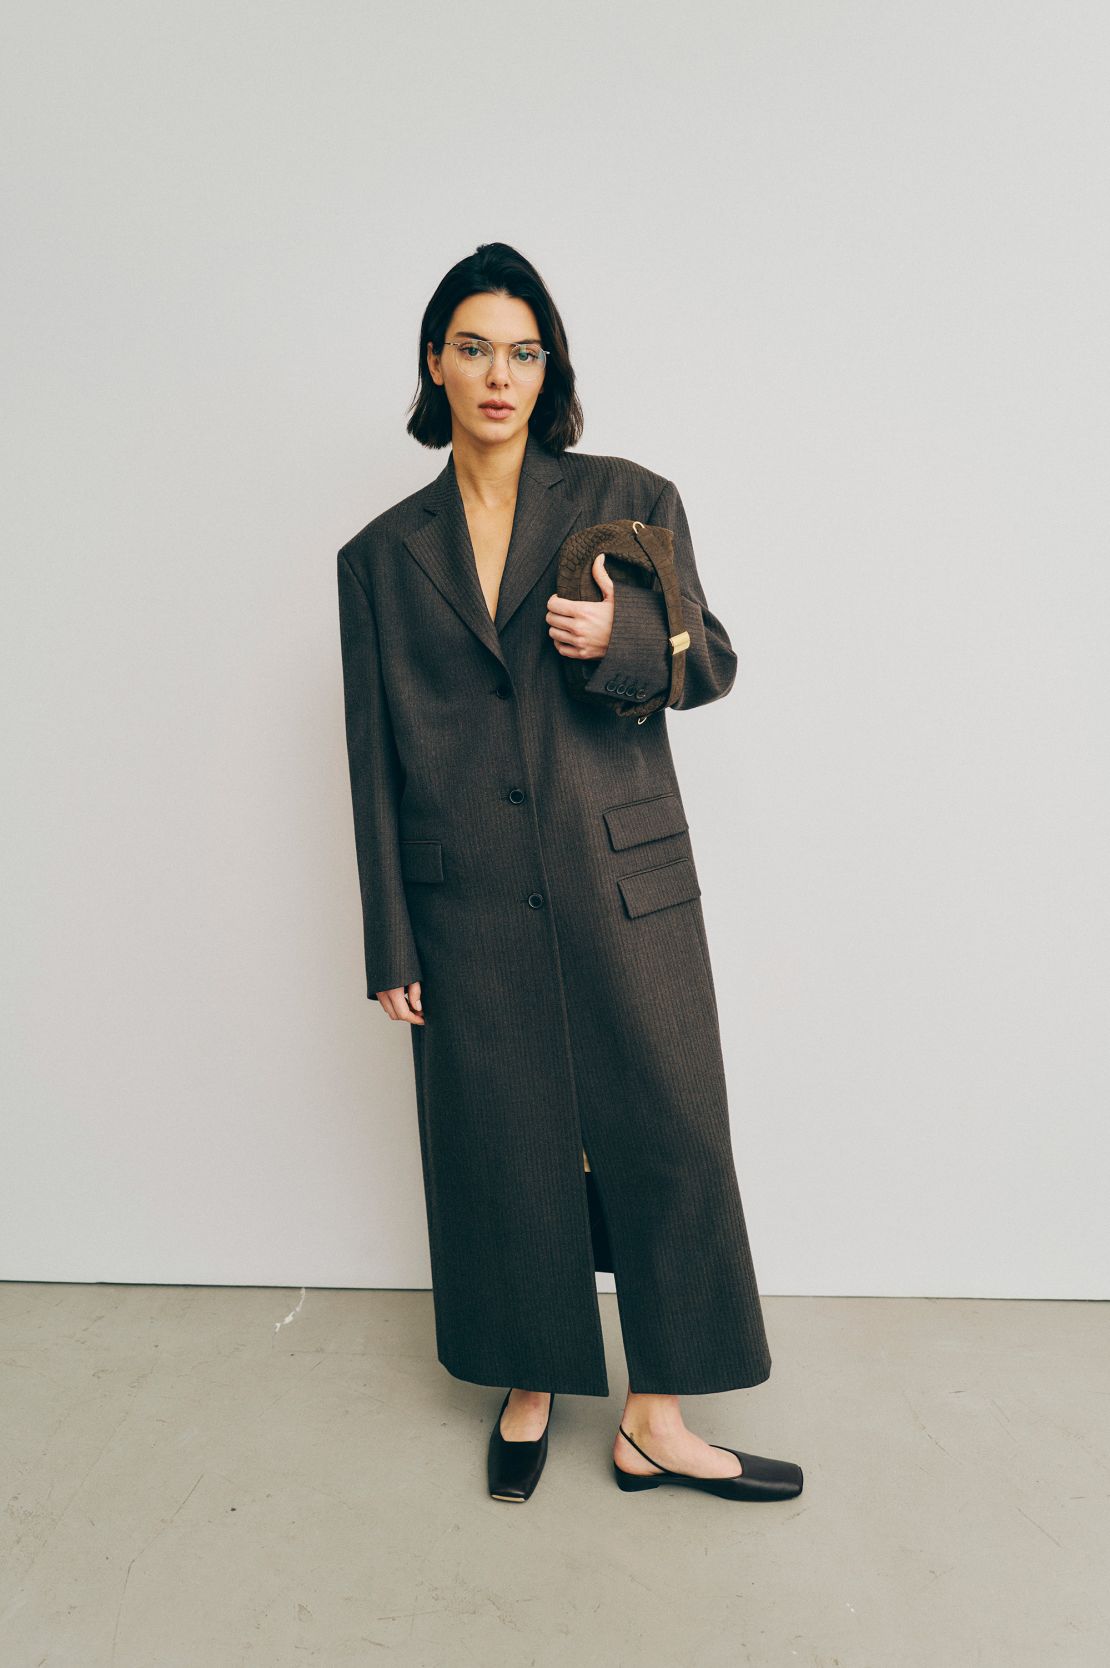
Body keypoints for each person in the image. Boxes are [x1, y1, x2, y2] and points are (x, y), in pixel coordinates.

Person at [337, 241, 802, 1504]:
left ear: (552, 369)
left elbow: (710, 661)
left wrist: (626, 635)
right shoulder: (379, 558)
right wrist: (392, 940)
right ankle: (532, 1376)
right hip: (464, 901)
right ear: (436, 361)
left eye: (525, 351)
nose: (501, 374)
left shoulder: (627, 496)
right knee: (503, 1145)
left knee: (669, 1134)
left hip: (623, 880)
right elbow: (371, 758)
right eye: (476, 347)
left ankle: (658, 1417)